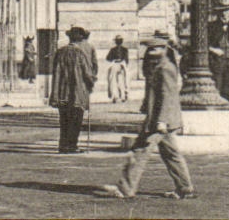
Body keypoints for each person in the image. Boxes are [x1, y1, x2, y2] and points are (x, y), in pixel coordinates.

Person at [97, 36, 195, 201]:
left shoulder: (165, 68)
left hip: (161, 120)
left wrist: (162, 120)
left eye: (155, 49)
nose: (151, 52)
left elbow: (167, 96)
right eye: (149, 49)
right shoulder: (158, 67)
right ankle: (185, 188)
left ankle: (126, 189)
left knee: (139, 151)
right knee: (171, 154)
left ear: (165, 50)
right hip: (160, 119)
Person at [50, 26, 99, 154]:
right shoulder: (80, 53)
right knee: (76, 119)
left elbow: (55, 72)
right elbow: (87, 73)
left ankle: (63, 145)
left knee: (64, 119)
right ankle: (72, 145)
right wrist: (91, 82)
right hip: (77, 91)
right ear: (80, 40)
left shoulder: (60, 52)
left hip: (62, 91)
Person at [105, 36, 131, 104]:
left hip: (120, 64)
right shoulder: (114, 49)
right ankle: (117, 96)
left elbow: (126, 58)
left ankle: (123, 95)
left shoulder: (123, 49)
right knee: (115, 80)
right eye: (117, 41)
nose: (118, 42)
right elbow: (108, 58)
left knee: (123, 80)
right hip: (117, 64)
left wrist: (124, 64)